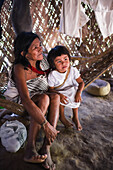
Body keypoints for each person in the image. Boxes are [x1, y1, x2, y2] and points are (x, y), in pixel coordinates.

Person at [4, 32, 60, 169]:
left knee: (55, 96)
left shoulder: (44, 62)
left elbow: (55, 77)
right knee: (44, 98)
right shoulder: (19, 68)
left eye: (40, 45)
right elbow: (25, 99)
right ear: (24, 53)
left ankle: (46, 146)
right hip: (20, 101)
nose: (41, 48)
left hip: (40, 95)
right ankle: (30, 148)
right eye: (35, 47)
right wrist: (46, 124)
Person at [47, 45, 84, 131]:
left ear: (69, 59)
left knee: (75, 96)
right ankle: (62, 117)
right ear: (53, 64)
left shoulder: (73, 70)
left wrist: (79, 92)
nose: (63, 63)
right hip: (59, 92)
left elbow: (81, 82)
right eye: (59, 61)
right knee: (59, 100)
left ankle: (75, 117)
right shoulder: (53, 75)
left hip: (71, 89)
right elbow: (50, 89)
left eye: (65, 59)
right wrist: (59, 95)